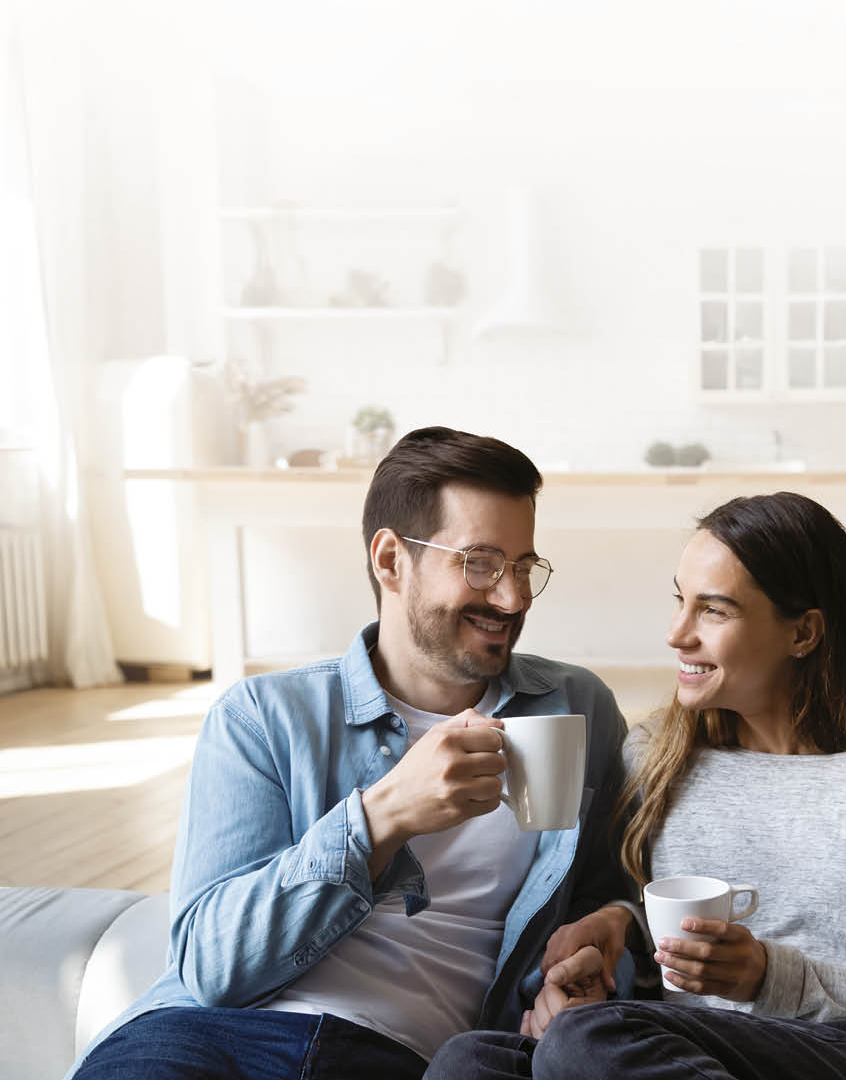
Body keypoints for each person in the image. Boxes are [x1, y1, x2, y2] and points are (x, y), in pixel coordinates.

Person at [70, 426, 631, 1080]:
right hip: (203, 1037)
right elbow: (212, 965)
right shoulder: (265, 716)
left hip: (405, 1059)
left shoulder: (574, 706)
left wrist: (591, 957)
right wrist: (383, 815)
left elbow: (611, 891)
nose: (512, 597)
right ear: (390, 559)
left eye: (525, 566)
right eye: (480, 563)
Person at [426, 491, 846, 1080]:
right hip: (707, 1057)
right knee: (469, 1062)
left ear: (803, 633)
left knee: (587, 1041)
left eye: (714, 610)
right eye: (681, 601)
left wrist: (771, 976)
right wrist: (613, 937)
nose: (677, 633)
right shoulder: (657, 759)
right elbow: (654, 954)